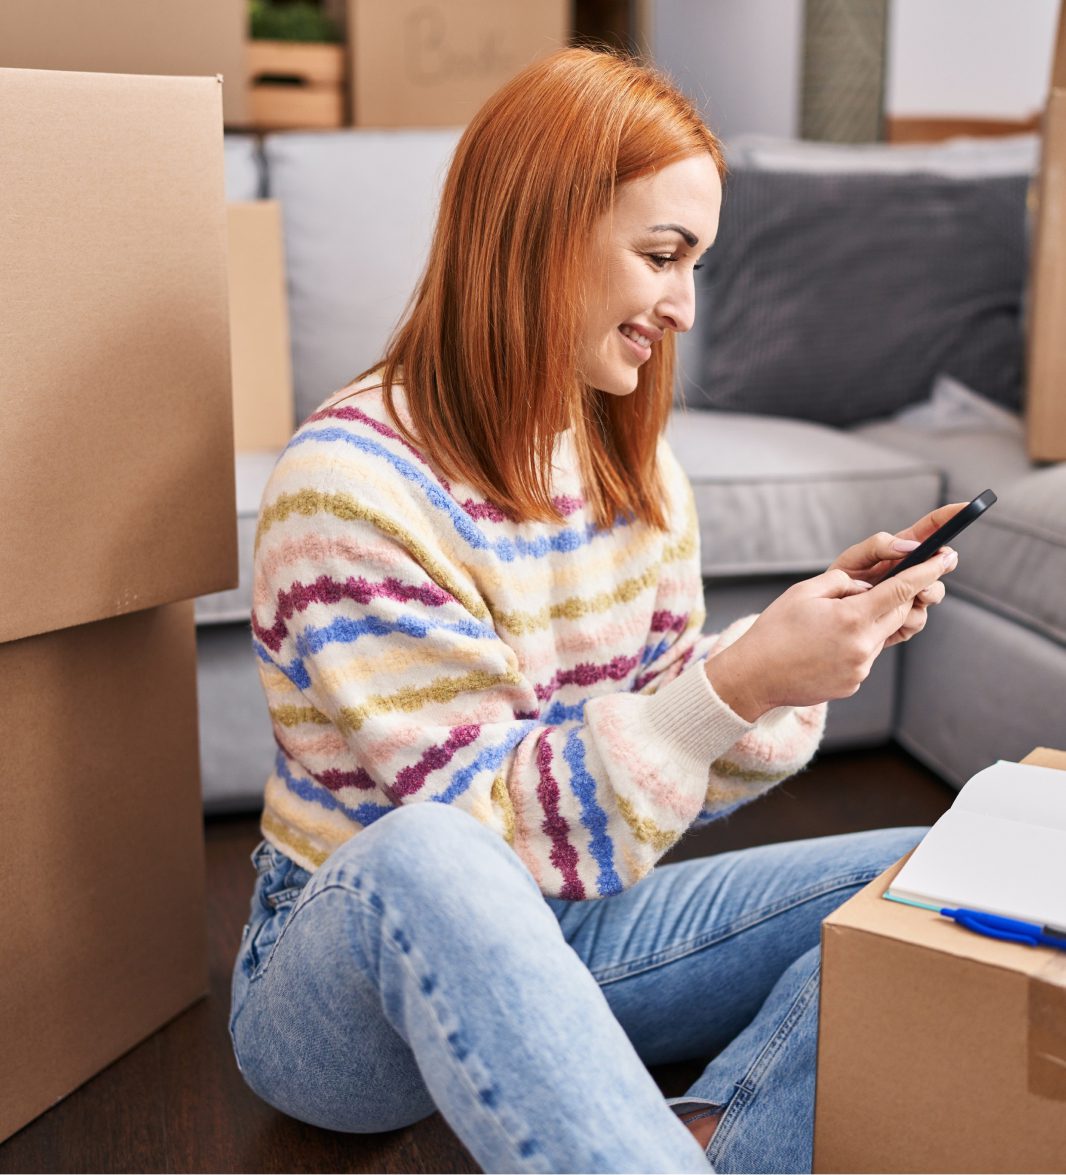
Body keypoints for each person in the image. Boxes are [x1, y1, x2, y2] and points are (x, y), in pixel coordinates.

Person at [228, 47, 960, 1174]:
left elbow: (667, 781)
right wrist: (741, 678)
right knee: (429, 850)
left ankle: (710, 1137)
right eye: (662, 255)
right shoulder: (351, 485)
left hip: (580, 917)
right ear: (535, 232)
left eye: (695, 263)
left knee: (927, 878)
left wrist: (789, 660)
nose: (682, 305)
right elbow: (485, 837)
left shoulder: (633, 467)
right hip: (347, 983)